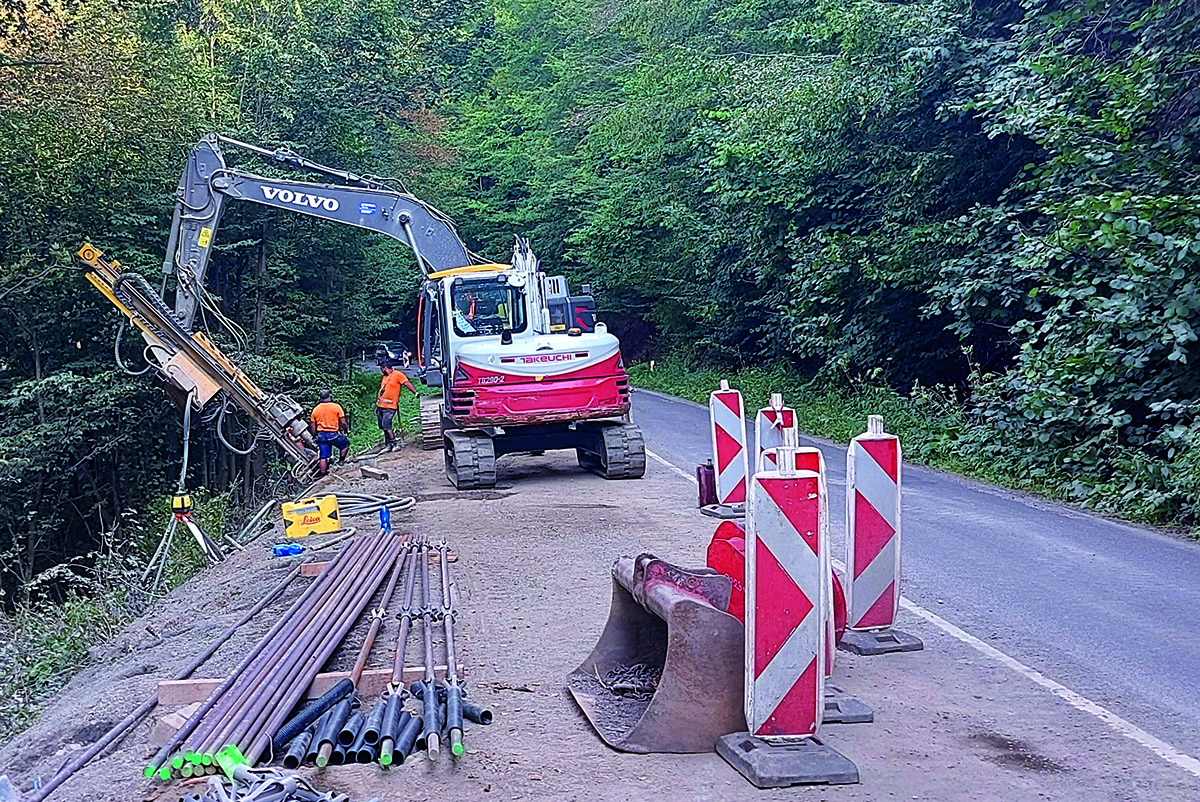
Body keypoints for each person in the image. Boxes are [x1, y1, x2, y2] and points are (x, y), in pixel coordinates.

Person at [377, 361, 417, 451]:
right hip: (380, 405)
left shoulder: (398, 374)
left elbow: (407, 383)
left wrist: (415, 392)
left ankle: (394, 443)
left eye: (382, 369)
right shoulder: (385, 377)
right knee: (383, 426)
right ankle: (388, 444)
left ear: (385, 368)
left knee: (386, 424)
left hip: (390, 406)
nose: (381, 371)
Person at [309, 389, 349, 476]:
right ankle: (341, 461)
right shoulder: (336, 407)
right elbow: (343, 422)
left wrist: (315, 435)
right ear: (330, 396)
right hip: (333, 434)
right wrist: (345, 430)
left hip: (321, 435)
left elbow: (312, 426)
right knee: (345, 445)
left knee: (323, 456)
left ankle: (323, 474)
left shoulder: (316, 409)